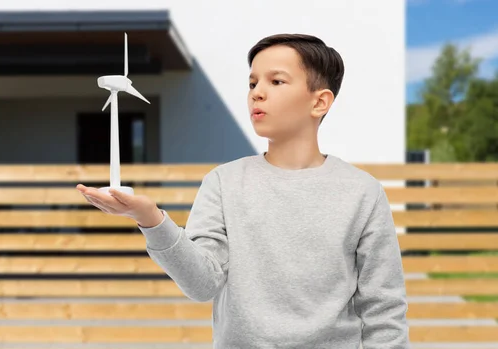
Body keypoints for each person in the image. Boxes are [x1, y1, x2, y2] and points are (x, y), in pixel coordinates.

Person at [76, 33, 410, 348]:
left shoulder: (362, 192)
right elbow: (202, 284)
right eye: (252, 83)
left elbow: (384, 308)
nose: (256, 93)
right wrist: (150, 219)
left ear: (320, 102)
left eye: (275, 81)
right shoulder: (223, 182)